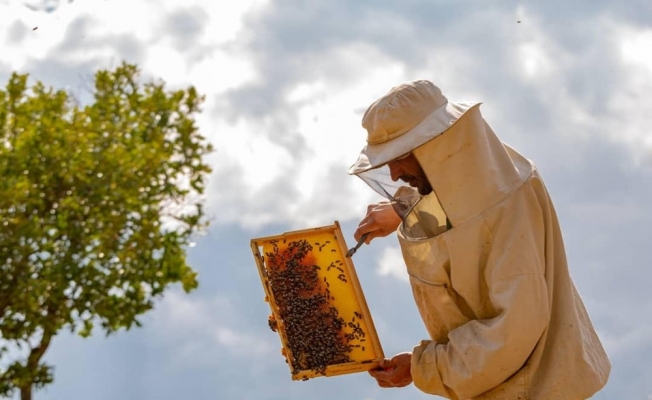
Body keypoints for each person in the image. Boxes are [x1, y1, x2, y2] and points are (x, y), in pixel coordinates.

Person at [348, 80, 611, 399]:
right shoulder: (492, 181)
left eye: (399, 156)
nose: (392, 174)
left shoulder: (504, 211)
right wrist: (405, 209)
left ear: (436, 143)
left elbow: (512, 333)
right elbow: (465, 207)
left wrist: (423, 367)